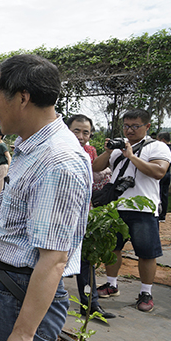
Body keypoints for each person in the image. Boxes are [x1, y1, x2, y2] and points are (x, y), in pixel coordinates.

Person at [0, 55, 91, 341]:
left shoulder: (58, 161)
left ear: (22, 98)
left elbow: (54, 259)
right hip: (10, 287)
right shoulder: (33, 146)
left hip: (23, 292)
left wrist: (24, 334)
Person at [93, 109, 171, 312]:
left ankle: (146, 292)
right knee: (113, 248)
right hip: (115, 207)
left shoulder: (157, 147)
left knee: (146, 254)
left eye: (135, 126)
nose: (129, 130)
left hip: (143, 209)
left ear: (147, 127)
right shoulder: (119, 149)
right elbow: (96, 166)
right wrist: (109, 151)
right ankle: (112, 284)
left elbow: (159, 172)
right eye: (126, 126)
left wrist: (132, 156)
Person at [66, 114, 115, 321]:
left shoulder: (89, 151)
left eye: (85, 132)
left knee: (86, 259)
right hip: (60, 214)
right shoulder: (60, 149)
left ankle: (90, 305)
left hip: (83, 213)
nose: (81, 136)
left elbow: (90, 177)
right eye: (76, 130)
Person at [156, 132, 171, 222]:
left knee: (158, 194)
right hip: (168, 174)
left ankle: (158, 213)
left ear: (162, 140)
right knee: (165, 195)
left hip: (162, 173)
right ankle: (163, 215)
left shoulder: (163, 149)